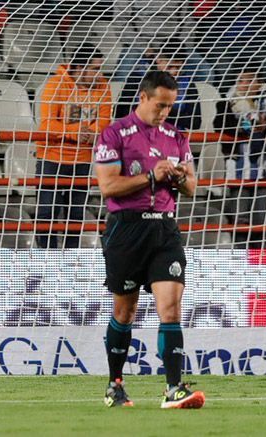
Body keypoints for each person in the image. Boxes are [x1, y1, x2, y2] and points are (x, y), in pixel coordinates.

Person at [94, 70, 205, 409]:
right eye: (160, 105)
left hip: (165, 230)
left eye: (170, 107)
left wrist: (179, 176)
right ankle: (115, 385)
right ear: (142, 98)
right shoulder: (114, 134)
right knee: (124, 311)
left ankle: (174, 389)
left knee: (170, 307)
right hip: (126, 229)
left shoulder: (177, 137)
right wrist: (150, 176)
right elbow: (108, 187)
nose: (165, 113)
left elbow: (191, 188)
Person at [36, 43, 112, 248]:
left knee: (76, 214)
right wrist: (74, 132)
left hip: (82, 159)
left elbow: (104, 120)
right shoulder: (55, 84)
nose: (99, 74)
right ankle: (46, 257)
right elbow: (47, 123)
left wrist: (91, 134)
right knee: (46, 211)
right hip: (51, 158)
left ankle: (69, 258)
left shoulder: (104, 87)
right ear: (79, 68)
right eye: (95, 69)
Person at [214, 67, 266, 246]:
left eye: (248, 80)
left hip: (263, 172)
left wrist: (262, 123)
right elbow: (222, 127)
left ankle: (264, 265)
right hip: (238, 173)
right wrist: (247, 121)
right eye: (240, 80)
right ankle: (239, 265)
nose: (243, 84)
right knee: (239, 219)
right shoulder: (226, 104)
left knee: (264, 221)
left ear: (259, 83)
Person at [114, 39, 202, 131]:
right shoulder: (138, 78)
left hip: (171, 137)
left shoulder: (188, 84)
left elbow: (196, 123)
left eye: (179, 67)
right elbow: (118, 113)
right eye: (170, 67)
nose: (174, 72)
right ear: (159, 60)